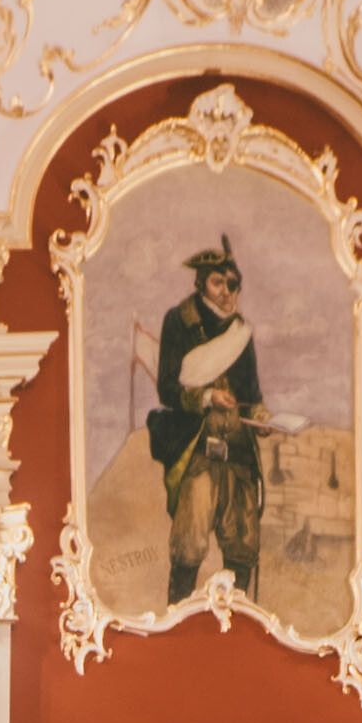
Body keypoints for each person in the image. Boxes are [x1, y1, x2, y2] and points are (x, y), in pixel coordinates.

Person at [149, 239, 267, 606]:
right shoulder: (179, 321)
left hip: (238, 454)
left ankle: (240, 622)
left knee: (243, 543)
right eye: (218, 283)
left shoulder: (240, 331)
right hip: (199, 450)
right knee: (189, 544)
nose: (226, 292)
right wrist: (206, 397)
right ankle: (176, 618)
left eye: (232, 284)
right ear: (201, 284)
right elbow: (168, 389)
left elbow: (251, 394)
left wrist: (260, 415)